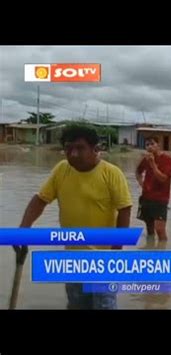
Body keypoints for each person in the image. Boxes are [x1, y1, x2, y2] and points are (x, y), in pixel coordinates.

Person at [15, 125, 132, 309]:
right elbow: (40, 200)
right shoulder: (62, 170)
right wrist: (23, 229)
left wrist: (116, 253)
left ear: (96, 149)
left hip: (103, 259)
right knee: (76, 305)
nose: (73, 154)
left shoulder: (111, 173)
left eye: (79, 148)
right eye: (68, 148)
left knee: (104, 306)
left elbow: (125, 209)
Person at [136, 135, 171, 242]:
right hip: (146, 197)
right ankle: (150, 251)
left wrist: (153, 164)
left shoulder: (167, 159)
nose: (150, 147)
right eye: (147, 145)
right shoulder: (146, 159)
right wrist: (142, 184)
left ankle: (163, 254)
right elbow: (138, 172)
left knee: (160, 230)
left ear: (158, 145)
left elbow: (163, 179)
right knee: (149, 229)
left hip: (160, 199)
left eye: (152, 144)